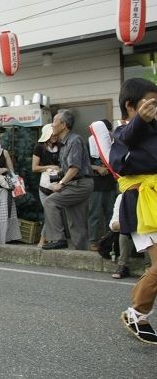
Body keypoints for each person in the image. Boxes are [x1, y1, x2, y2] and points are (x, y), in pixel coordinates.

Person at [108, 78, 157, 345]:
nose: (154, 108)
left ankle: (138, 311)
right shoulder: (122, 132)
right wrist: (140, 121)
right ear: (130, 105)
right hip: (141, 202)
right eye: (150, 103)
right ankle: (137, 313)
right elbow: (121, 158)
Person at [41, 110, 94, 250]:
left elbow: (75, 168)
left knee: (50, 202)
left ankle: (58, 239)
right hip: (77, 183)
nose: (52, 125)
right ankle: (81, 254)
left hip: (80, 184)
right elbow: (69, 168)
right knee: (76, 222)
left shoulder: (74, 140)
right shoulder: (64, 142)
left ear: (63, 125)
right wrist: (59, 174)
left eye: (54, 121)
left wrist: (61, 183)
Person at [87, 119, 117, 251]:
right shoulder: (89, 142)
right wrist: (98, 168)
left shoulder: (114, 142)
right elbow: (83, 164)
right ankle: (93, 241)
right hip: (96, 185)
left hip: (111, 184)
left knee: (111, 214)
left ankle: (110, 240)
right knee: (95, 214)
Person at [32, 123, 61, 247]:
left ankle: (52, 239)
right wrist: (50, 167)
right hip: (45, 186)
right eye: (52, 134)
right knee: (49, 214)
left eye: (55, 134)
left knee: (55, 214)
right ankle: (43, 239)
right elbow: (34, 168)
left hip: (59, 184)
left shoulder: (61, 146)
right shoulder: (39, 148)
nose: (54, 136)